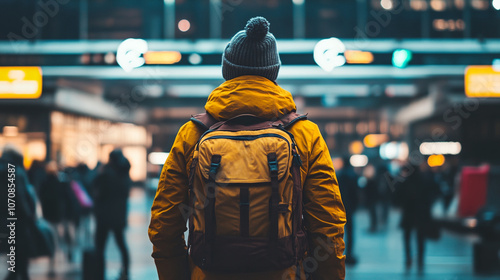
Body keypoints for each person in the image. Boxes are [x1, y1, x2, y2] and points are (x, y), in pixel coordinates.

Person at [149, 16, 346, 280]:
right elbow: (328, 224)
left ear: (227, 71)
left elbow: (164, 224)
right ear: (273, 72)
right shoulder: (303, 134)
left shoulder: (193, 134)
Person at [92, 149, 131, 280]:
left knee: (100, 247)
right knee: (121, 244)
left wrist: (99, 173)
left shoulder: (106, 174)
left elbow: (97, 192)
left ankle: (99, 273)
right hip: (119, 216)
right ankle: (125, 272)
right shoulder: (125, 174)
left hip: (104, 216)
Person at [394, 163, 439, 272]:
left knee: (407, 237)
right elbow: (434, 193)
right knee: (420, 238)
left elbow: (397, 197)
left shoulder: (405, 182)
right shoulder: (425, 181)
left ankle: (408, 258)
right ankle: (420, 259)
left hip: (408, 214)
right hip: (421, 214)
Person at [0, 145, 36, 280]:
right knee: (21, 249)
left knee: (14, 250)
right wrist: (29, 215)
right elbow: (19, 196)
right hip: (19, 218)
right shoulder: (16, 171)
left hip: (5, 217)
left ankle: (17, 274)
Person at [336, 157, 359, 265]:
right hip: (349, 208)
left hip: (339, 208)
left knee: (337, 233)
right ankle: (349, 254)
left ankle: (337, 253)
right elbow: (356, 193)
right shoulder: (352, 176)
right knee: (350, 232)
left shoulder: (339, 175)